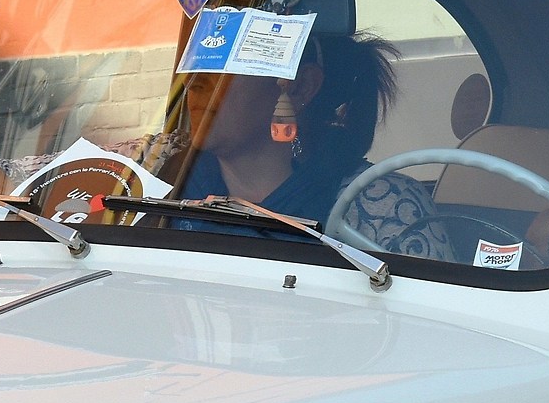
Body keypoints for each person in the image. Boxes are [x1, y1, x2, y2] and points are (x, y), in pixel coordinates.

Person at [171, 32, 448, 256]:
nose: (194, 82)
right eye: (199, 60)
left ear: (300, 86)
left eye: (226, 64)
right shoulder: (157, 182)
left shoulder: (386, 210)